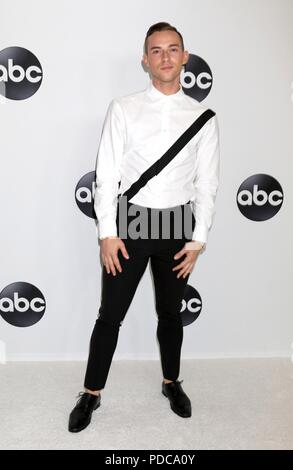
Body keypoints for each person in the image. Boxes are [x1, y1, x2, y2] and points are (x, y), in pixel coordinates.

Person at [68, 21, 220, 433]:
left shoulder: (203, 118)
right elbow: (107, 173)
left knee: (170, 314)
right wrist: (106, 232)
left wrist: (198, 239)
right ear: (145, 60)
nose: (166, 57)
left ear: (185, 57)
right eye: (157, 50)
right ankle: (91, 393)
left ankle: (172, 383)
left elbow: (207, 183)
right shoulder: (124, 107)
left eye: (173, 49)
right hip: (130, 226)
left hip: (177, 228)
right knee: (110, 315)